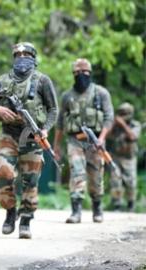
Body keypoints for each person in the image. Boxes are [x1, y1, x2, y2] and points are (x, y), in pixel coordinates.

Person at [0, 42, 58, 239]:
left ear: (33, 57)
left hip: (33, 136)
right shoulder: (3, 80)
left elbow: (53, 109)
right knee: (2, 173)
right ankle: (11, 212)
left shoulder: (43, 80)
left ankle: (26, 219)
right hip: (9, 134)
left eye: (26, 54)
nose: (21, 57)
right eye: (17, 54)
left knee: (30, 179)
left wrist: (45, 129)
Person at [53, 58, 114, 224]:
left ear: (90, 73)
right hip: (75, 140)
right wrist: (56, 146)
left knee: (95, 176)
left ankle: (97, 208)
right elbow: (60, 122)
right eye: (77, 73)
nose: (81, 75)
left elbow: (109, 118)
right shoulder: (67, 96)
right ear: (73, 74)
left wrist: (101, 139)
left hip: (95, 141)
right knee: (77, 172)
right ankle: (76, 211)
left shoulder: (101, 93)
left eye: (84, 72)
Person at [108, 102, 141, 212]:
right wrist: (114, 124)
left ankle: (131, 204)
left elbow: (132, 136)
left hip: (129, 158)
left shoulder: (135, 125)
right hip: (116, 157)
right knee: (115, 181)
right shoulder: (115, 126)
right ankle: (117, 204)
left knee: (130, 182)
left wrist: (123, 124)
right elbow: (106, 134)